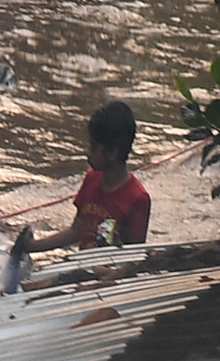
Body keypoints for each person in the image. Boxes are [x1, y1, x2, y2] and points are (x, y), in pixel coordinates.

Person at [61, 98, 156, 250]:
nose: (88, 152)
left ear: (111, 153)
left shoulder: (138, 198)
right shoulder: (91, 178)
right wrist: (32, 246)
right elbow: (76, 231)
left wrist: (107, 273)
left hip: (107, 272)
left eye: (93, 146)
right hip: (83, 267)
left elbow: (133, 258)